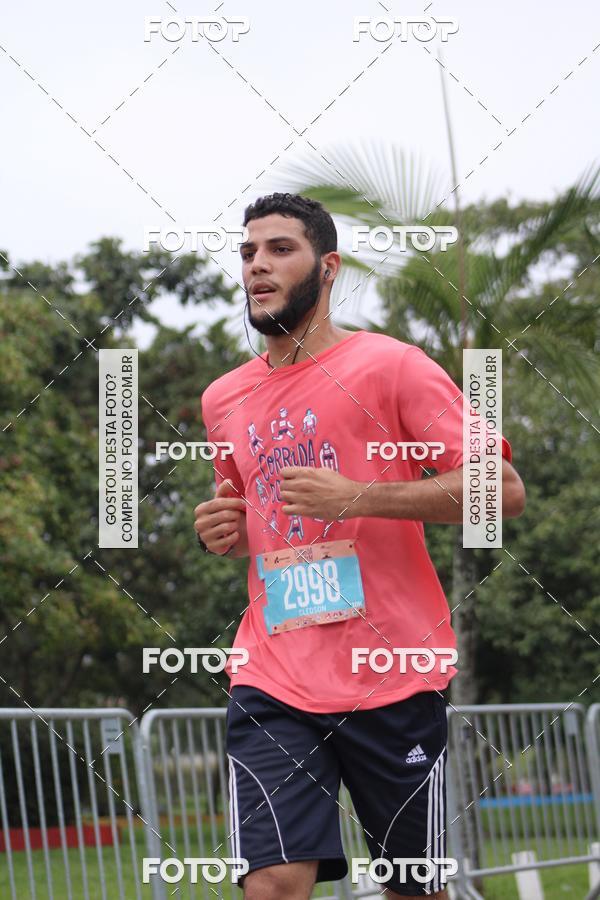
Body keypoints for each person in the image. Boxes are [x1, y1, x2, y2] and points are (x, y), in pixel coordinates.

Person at [194, 193, 526, 899]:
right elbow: (247, 520)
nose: (258, 265)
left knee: (416, 889)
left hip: (392, 672)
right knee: (274, 882)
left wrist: (360, 495)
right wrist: (219, 533)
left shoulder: (392, 366)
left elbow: (502, 489)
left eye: (280, 249)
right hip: (273, 674)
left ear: (328, 266)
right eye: (248, 252)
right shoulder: (223, 398)